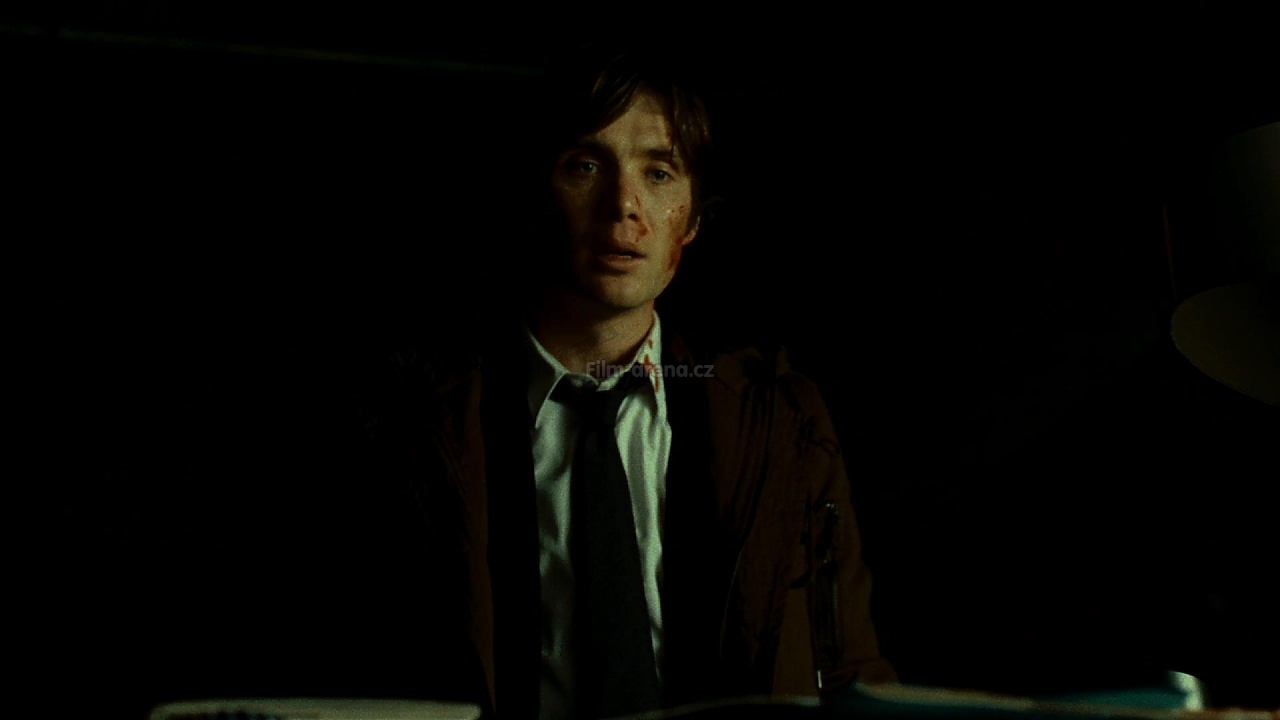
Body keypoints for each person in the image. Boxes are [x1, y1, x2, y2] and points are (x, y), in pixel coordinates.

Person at [361, 42, 897, 719]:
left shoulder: (779, 420)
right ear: (536, 192)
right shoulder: (417, 420)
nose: (624, 206)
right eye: (586, 165)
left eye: (660, 173)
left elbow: (850, 667)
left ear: (693, 217)